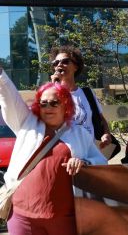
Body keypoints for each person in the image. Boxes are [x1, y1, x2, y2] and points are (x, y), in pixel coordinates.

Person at [0, 66, 107, 234]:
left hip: (65, 219)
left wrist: (84, 162)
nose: (48, 107)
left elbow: (101, 163)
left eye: (54, 102)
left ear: (65, 105)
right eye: (43, 103)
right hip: (23, 217)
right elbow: (10, 99)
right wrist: (1, 76)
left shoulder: (79, 133)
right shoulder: (27, 124)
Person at [50, 46, 120, 158]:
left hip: (91, 154)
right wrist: (54, 87)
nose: (59, 65)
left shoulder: (87, 93)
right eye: (56, 62)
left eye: (65, 61)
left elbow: (101, 119)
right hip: (67, 156)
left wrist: (106, 134)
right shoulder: (51, 94)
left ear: (76, 66)